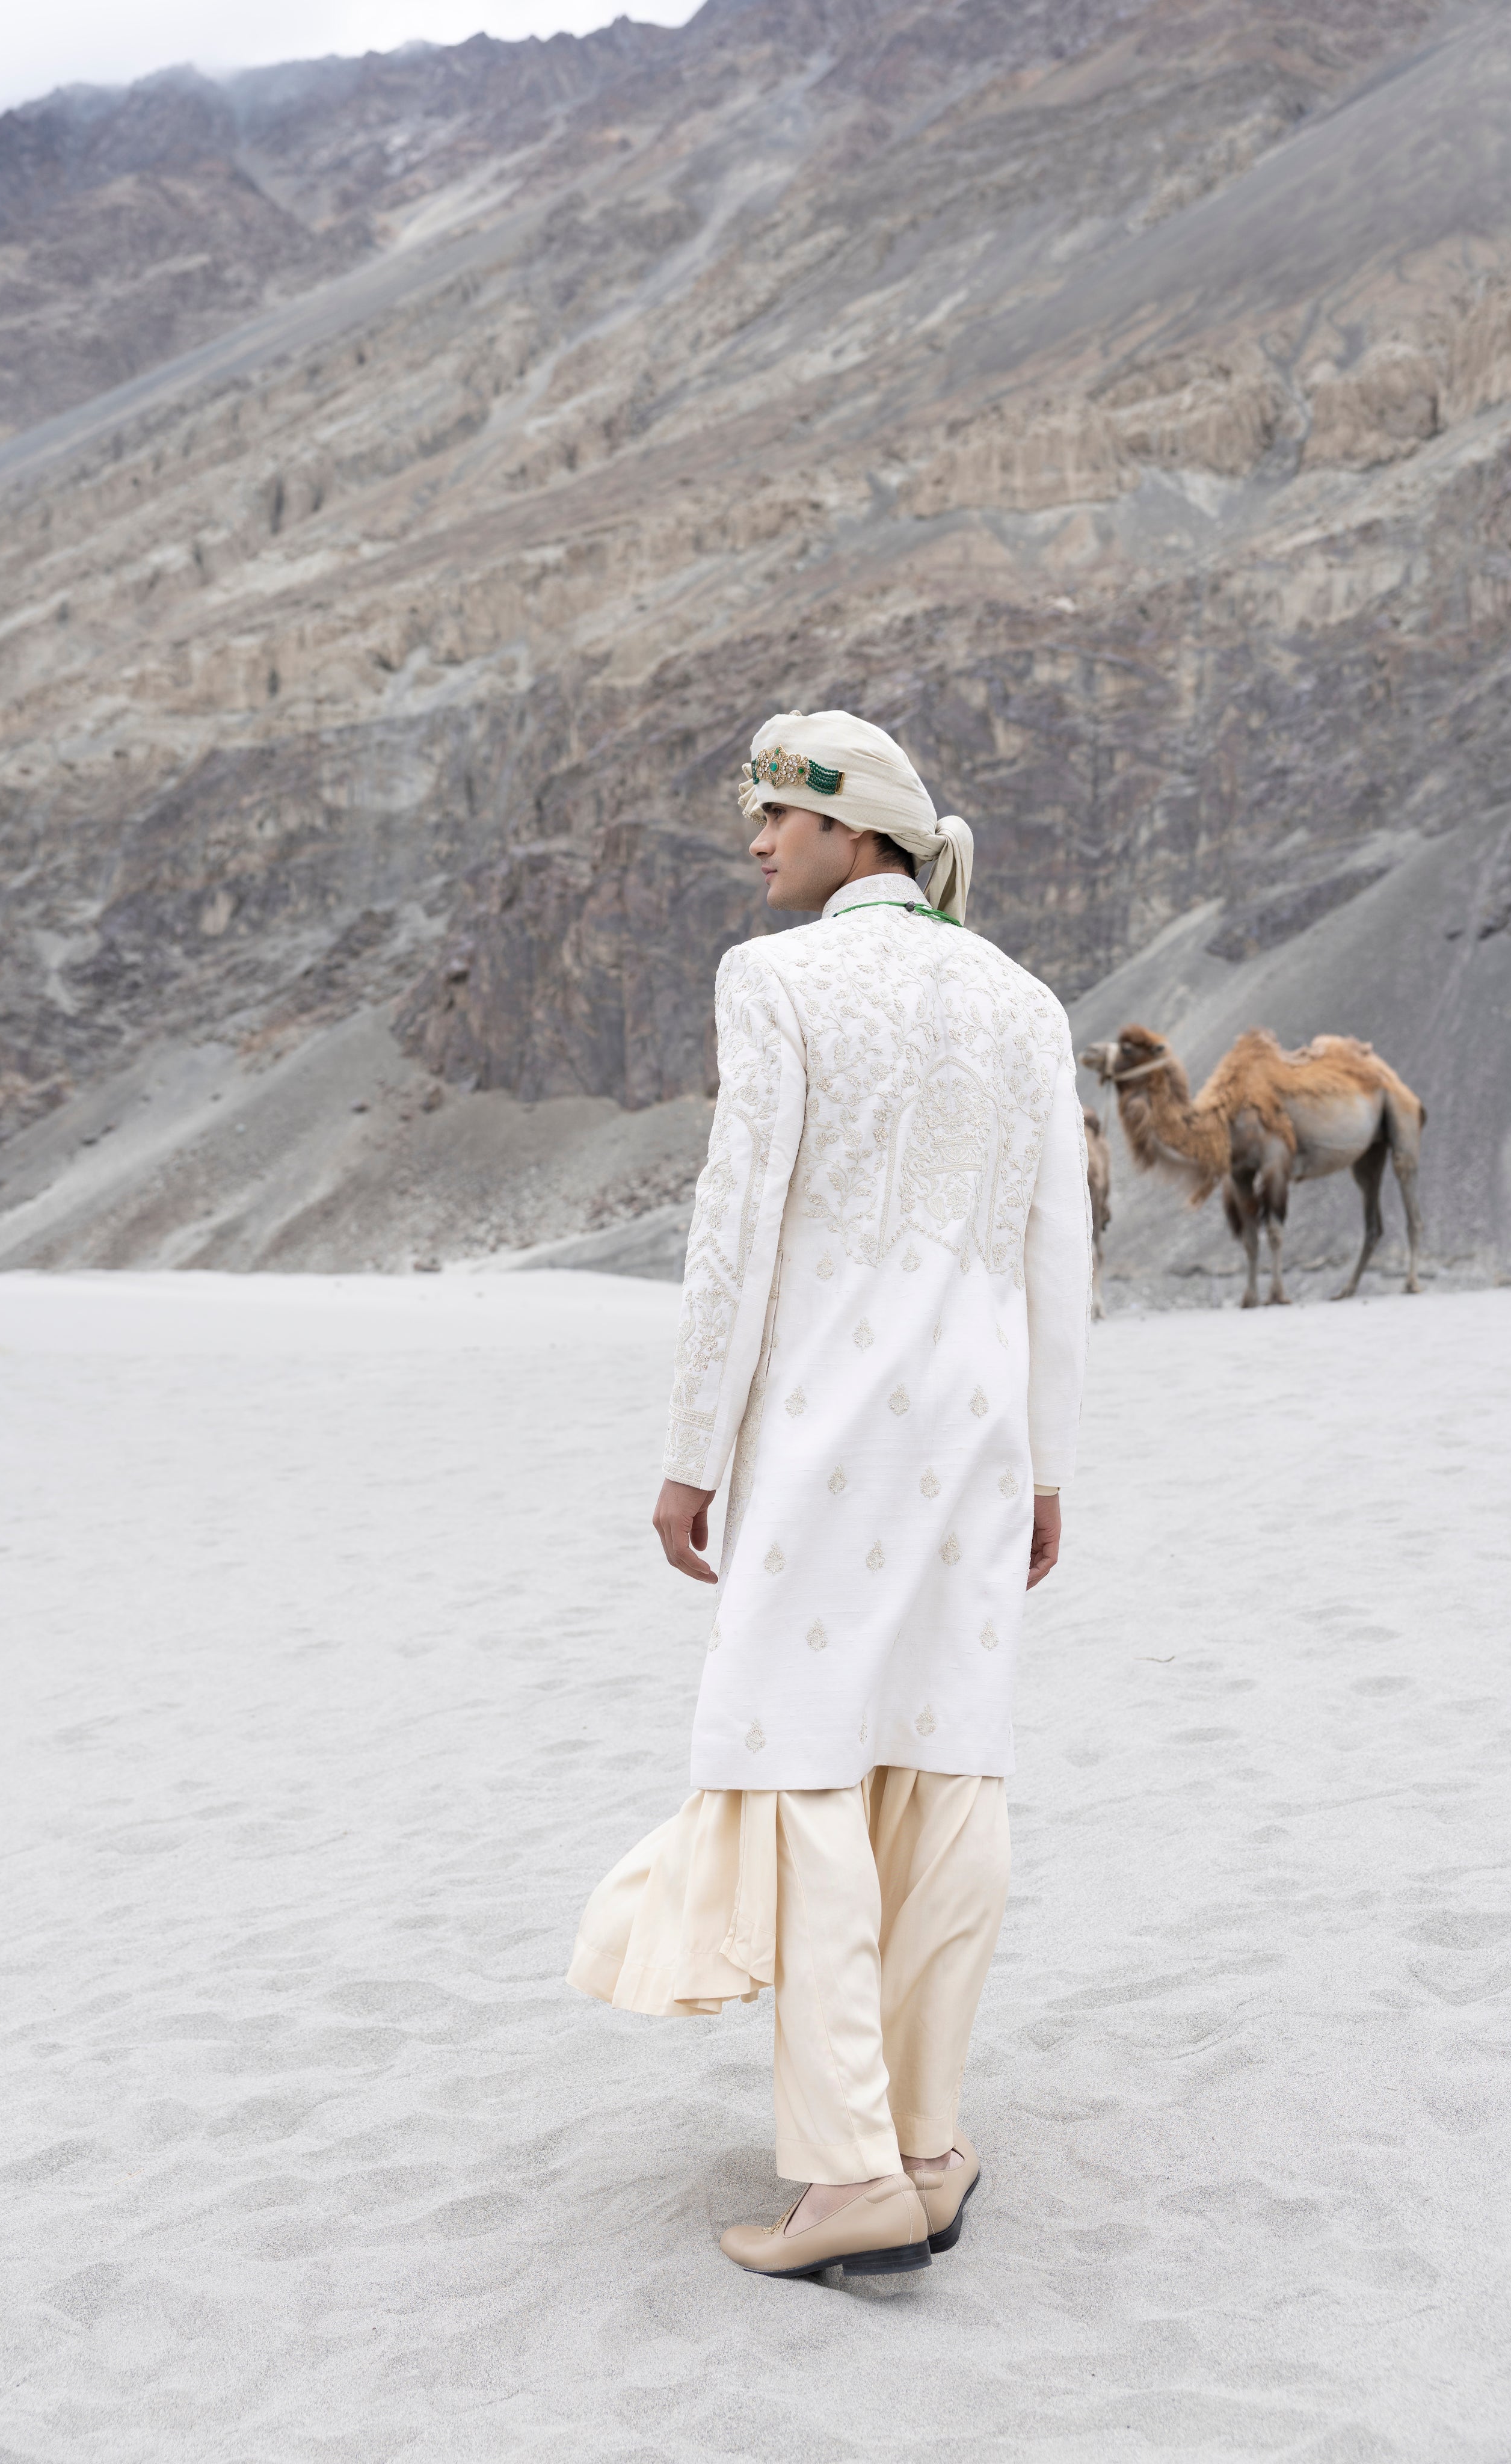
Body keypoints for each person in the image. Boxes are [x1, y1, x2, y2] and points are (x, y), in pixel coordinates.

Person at [568, 709, 1091, 2281]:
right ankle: (927, 2138)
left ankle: (855, 2172)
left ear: (854, 828)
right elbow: (1056, 1257)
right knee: (944, 1754)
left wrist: (689, 1455)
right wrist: (1048, 1460)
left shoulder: (776, 982)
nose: (753, 843)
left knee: (798, 1755)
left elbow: (733, 1233)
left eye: (775, 817)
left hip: (826, 1425)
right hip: (978, 1427)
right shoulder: (1020, 998)